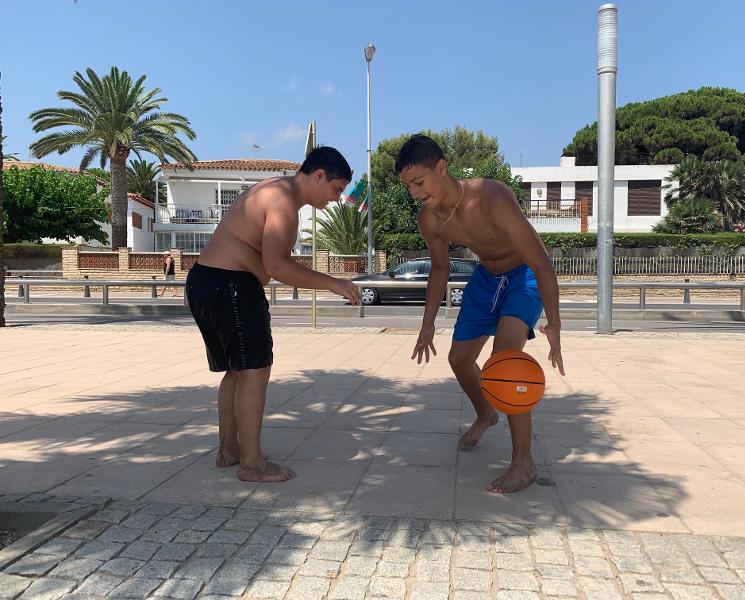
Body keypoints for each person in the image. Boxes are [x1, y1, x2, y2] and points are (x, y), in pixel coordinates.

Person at [396, 134, 565, 493]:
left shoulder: (492, 197)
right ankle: (486, 413)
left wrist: (555, 323)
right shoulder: (430, 219)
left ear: (441, 168)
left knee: (505, 359)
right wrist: (427, 325)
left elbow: (540, 262)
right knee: (459, 359)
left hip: (523, 275)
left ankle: (524, 464)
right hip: (486, 278)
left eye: (418, 182)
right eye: (408, 186)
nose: (413, 192)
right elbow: (439, 269)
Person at [186, 146, 361, 483]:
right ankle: (252, 464)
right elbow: (277, 265)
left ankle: (229, 450)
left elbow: (264, 262)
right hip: (231, 285)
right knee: (254, 370)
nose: (336, 199)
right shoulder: (283, 201)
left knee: (236, 370)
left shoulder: (271, 188)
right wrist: (334, 283)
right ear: (319, 175)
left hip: (204, 280)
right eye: (336, 189)